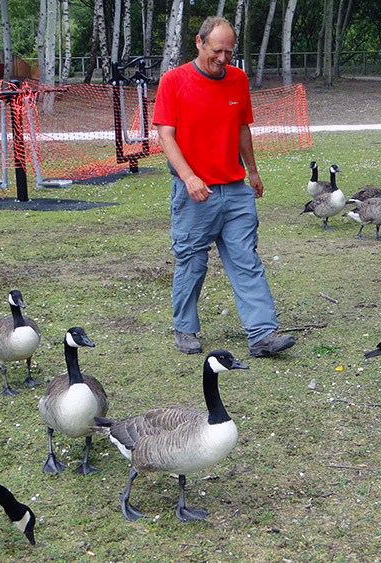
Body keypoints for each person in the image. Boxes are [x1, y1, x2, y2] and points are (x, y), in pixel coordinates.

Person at [152, 16, 295, 358]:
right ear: (199, 43)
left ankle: (262, 335)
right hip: (194, 194)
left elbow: (243, 128)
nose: (223, 58)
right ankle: (185, 329)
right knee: (192, 263)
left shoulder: (237, 79)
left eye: (229, 52)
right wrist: (188, 177)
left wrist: (254, 171)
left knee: (247, 261)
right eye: (217, 50)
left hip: (235, 189)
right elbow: (164, 135)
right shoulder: (174, 81)